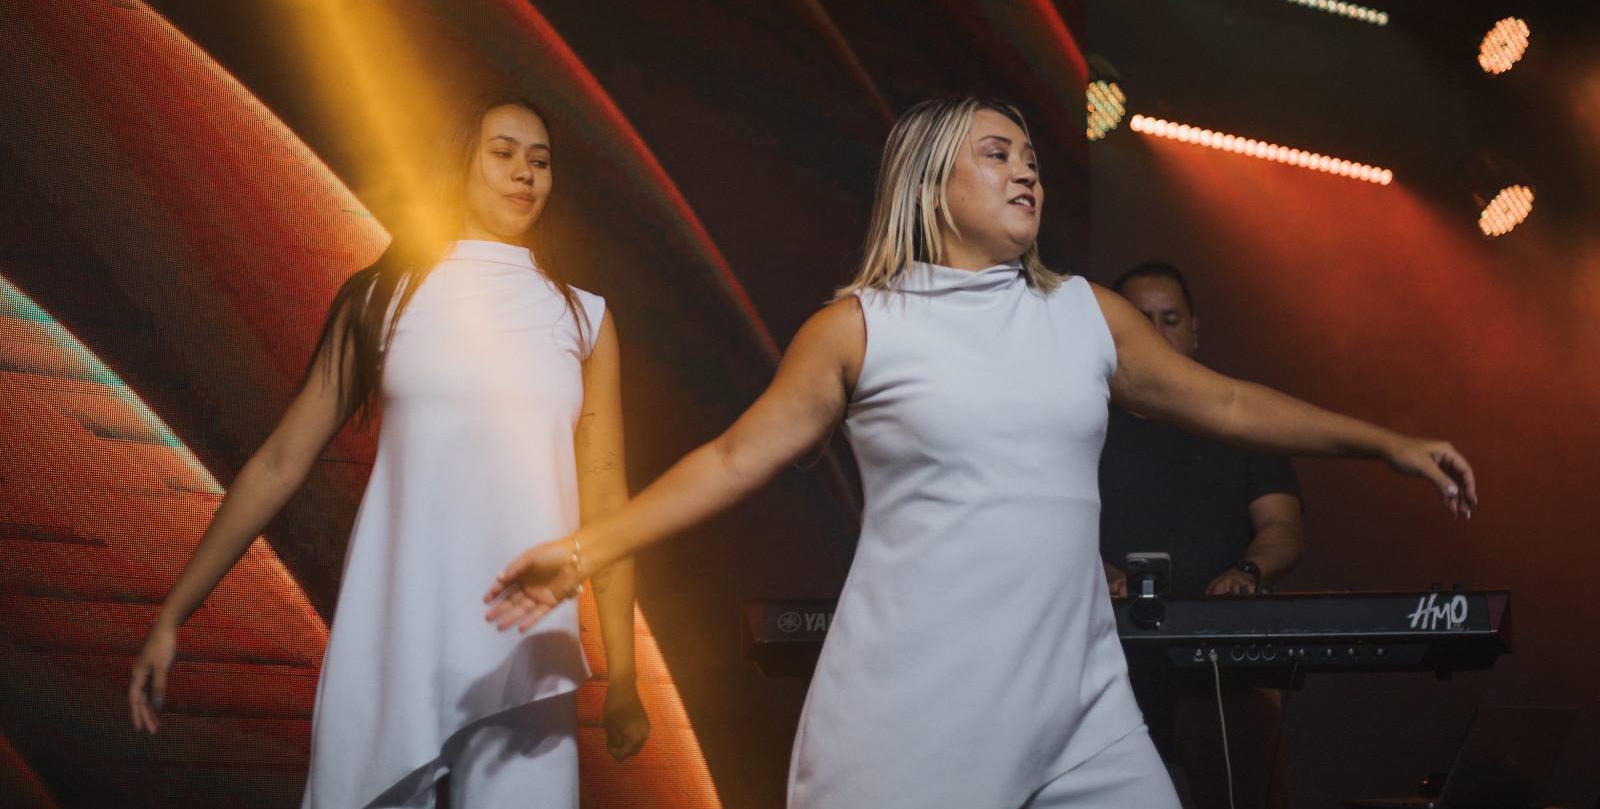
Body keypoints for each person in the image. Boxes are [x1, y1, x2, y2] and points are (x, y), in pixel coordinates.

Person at [483, 96, 1475, 809]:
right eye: (997, 155)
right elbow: (733, 456)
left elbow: (1224, 403)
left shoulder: (1083, 313)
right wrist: (586, 548)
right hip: (912, 711)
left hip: (1078, 705)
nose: (1026, 171)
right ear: (930, 183)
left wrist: (1385, 443)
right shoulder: (860, 327)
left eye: (1031, 157)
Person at [128, 91, 650, 808]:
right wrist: (173, 614)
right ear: (460, 165)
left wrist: (624, 675)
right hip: (395, 629)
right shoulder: (382, 298)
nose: (525, 173)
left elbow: (607, 496)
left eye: (541, 160)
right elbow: (281, 461)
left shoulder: (583, 319)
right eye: (503, 153)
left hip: (526, 649)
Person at [1099, 260, 1302, 809]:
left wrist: (1249, 571)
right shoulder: (1082, 421)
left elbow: (1283, 525)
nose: (1156, 333)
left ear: (1194, 331)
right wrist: (1099, 573)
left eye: (1170, 319)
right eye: (1140, 320)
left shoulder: (1239, 420)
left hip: (1225, 671)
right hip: (1109, 671)